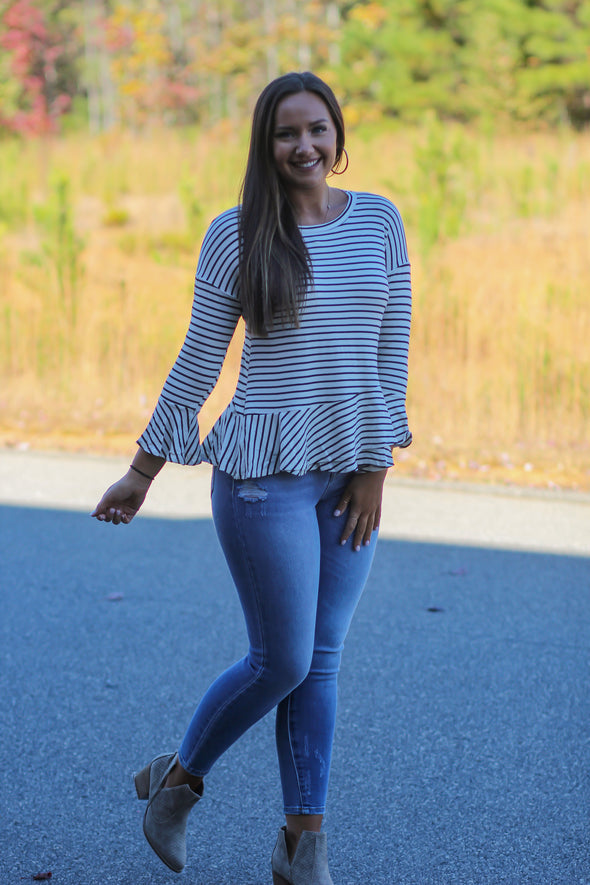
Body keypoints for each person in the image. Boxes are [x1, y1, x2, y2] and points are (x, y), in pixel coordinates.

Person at [92, 71, 412, 885]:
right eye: (285, 133)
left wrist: (375, 465)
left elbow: (391, 352)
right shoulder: (236, 235)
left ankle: (304, 847)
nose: (304, 145)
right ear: (264, 147)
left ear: (339, 134)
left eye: (318, 128)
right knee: (283, 661)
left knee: (322, 659)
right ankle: (179, 780)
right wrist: (142, 471)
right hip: (260, 476)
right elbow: (199, 362)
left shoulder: (378, 220)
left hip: (349, 474)